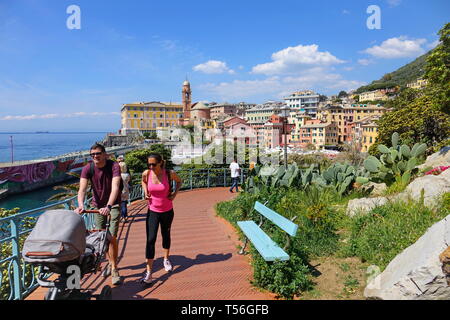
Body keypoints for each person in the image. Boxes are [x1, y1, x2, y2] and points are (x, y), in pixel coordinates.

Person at [75, 143, 123, 286]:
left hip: (112, 205)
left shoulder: (114, 166)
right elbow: (82, 190)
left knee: (111, 237)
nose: (95, 156)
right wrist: (81, 205)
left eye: (98, 153)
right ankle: (109, 262)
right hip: (97, 206)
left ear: (104, 154)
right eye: (93, 154)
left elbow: (115, 187)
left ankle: (114, 268)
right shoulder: (87, 169)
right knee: (102, 237)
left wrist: (108, 205)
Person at [140, 153, 182, 284]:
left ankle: (166, 259)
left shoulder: (169, 173)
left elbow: (179, 181)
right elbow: (143, 181)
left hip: (167, 211)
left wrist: (174, 194)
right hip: (152, 211)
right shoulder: (147, 173)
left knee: (166, 234)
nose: (151, 167)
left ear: (160, 163)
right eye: (149, 164)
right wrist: (145, 190)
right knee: (150, 239)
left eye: (154, 164)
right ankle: (149, 272)